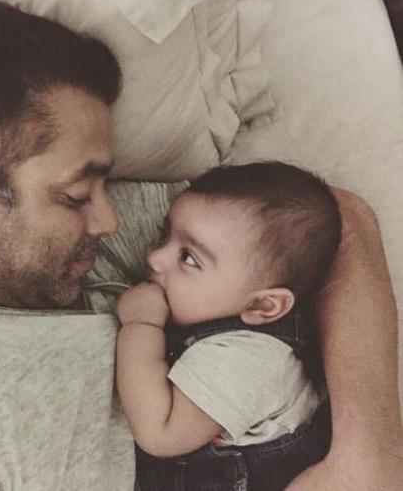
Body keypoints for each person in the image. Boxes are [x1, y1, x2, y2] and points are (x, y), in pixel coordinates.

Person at [0, 0, 402, 491]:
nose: (111, 219)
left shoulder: (85, 247)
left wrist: (368, 460)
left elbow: (336, 219)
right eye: (77, 194)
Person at [116, 162, 340, 490]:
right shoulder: (227, 317)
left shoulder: (243, 359)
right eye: (164, 235)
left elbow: (159, 433)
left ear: (262, 306)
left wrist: (140, 325)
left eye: (188, 258)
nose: (154, 258)